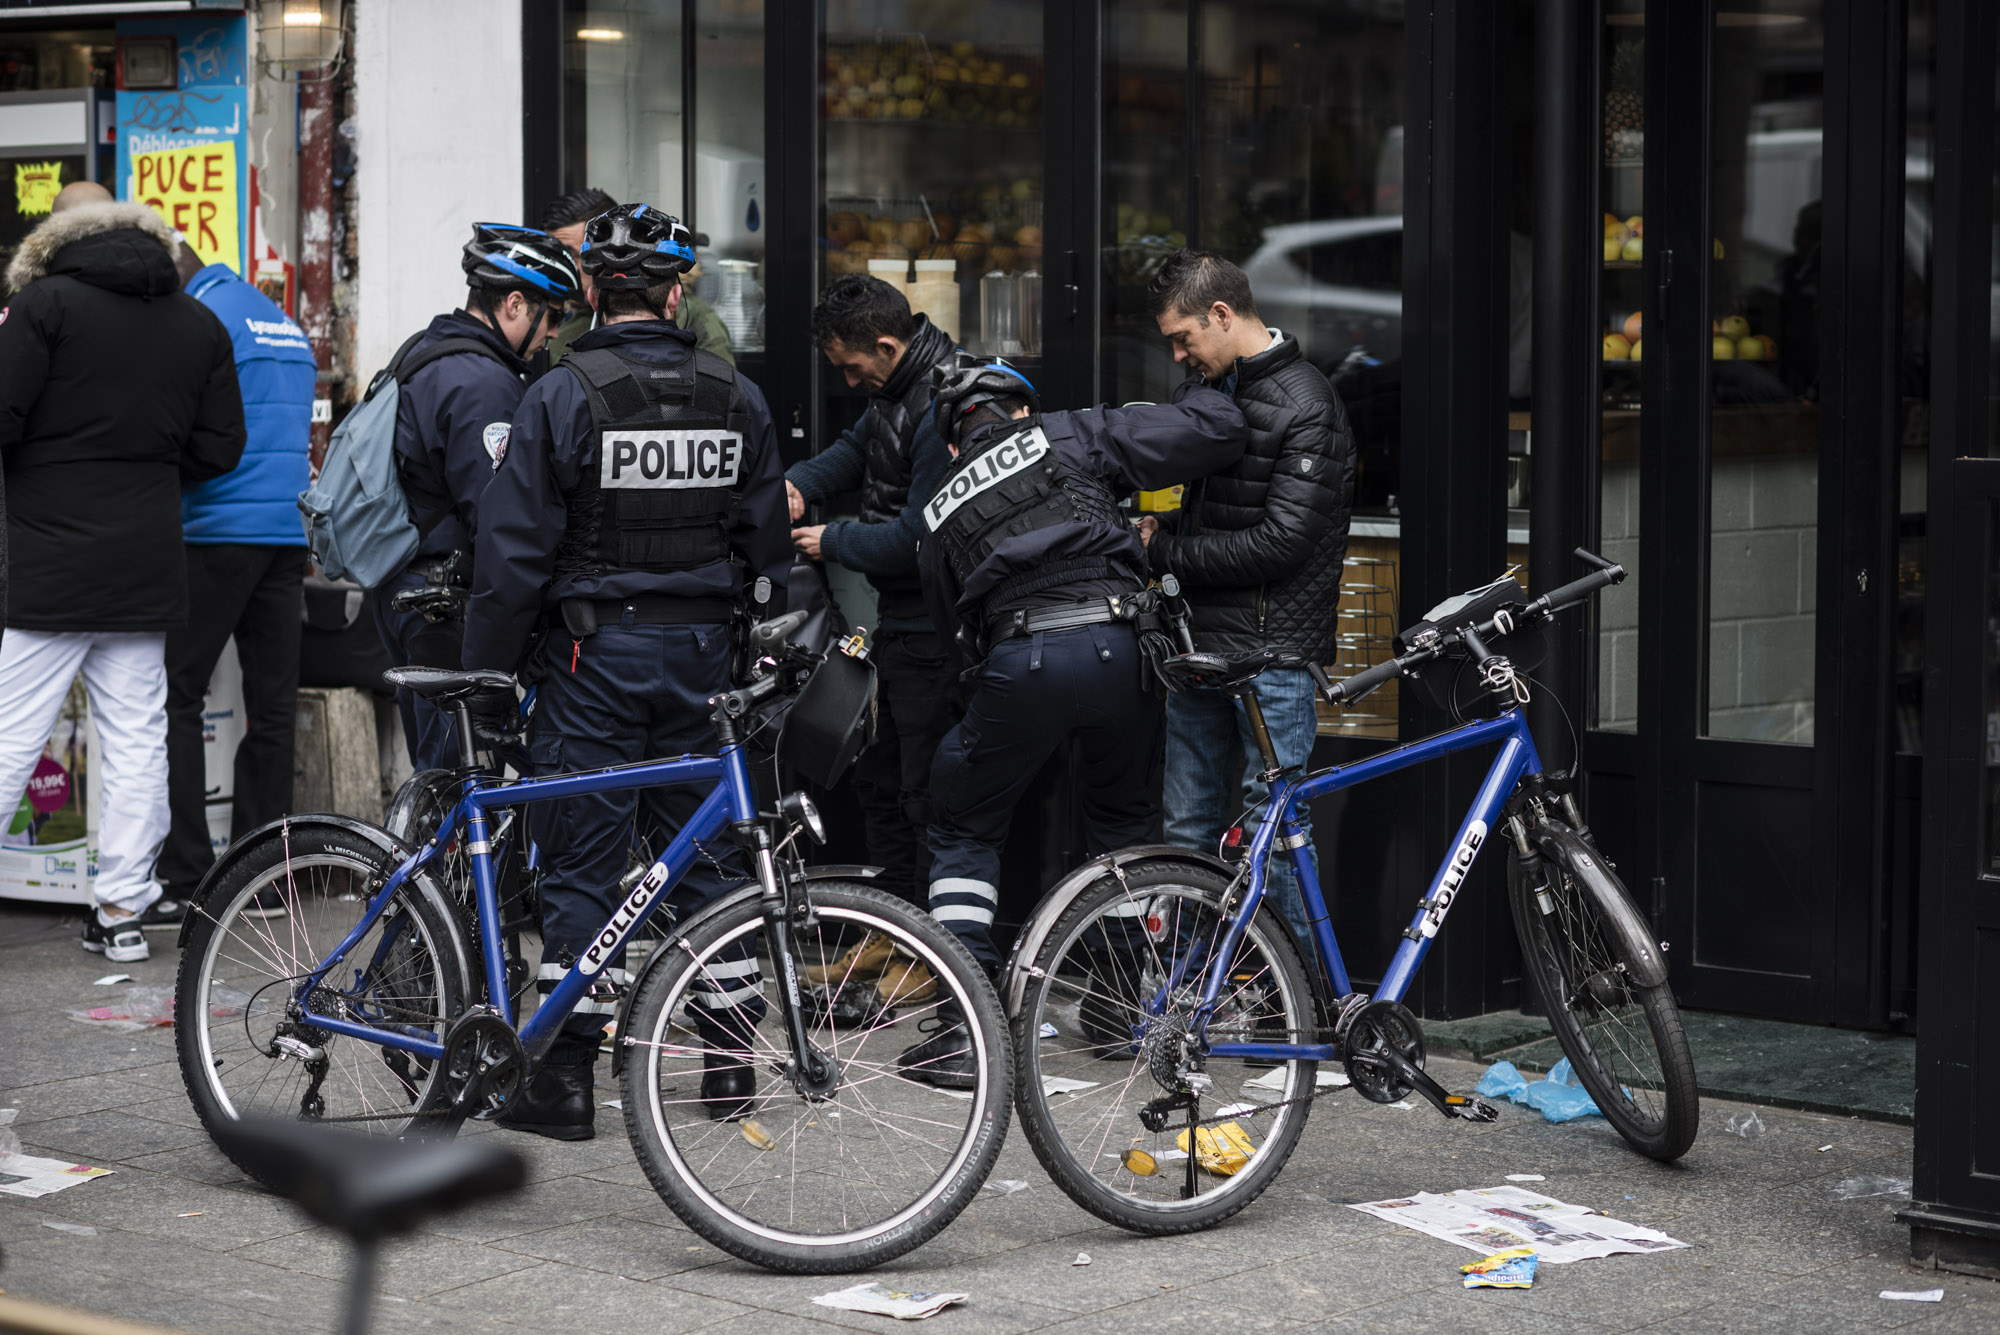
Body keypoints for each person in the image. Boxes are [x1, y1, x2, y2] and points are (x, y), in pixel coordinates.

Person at [462, 204, 790, 1139]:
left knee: (582, 862)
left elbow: (512, 554)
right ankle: (730, 1065)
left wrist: (485, 677)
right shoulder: (737, 394)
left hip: (592, 657)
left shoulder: (561, 394)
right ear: (679, 291)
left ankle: (563, 1081)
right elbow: (767, 545)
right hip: (702, 661)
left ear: (594, 294)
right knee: (711, 855)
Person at [895, 354, 1248, 1087]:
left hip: (1019, 658)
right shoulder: (1068, 435)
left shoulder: (935, 510)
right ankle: (1121, 1009)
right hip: (1124, 648)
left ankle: (969, 1028)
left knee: (963, 824)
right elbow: (1215, 429)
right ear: (1021, 411)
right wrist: (1201, 376)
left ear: (955, 443)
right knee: (1121, 824)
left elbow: (953, 634)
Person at [0, 194, 245, 964]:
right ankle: (122, 909)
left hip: (48, 559)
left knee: (10, 734)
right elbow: (220, 448)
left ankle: (119, 903)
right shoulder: (196, 320)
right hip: (145, 556)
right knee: (137, 741)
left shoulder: (43, 305)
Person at [1139, 248, 1354, 952]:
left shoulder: (1307, 404)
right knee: (1186, 834)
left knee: (1278, 834)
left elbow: (1281, 544)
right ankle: (1181, 999)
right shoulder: (1207, 394)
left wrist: (1162, 552)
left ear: (1223, 314)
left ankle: (1309, 1005)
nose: (1177, 354)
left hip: (1272, 659)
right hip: (1199, 648)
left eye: (1184, 337)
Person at [786, 274, 961, 937]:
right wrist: (797, 486)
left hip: (938, 637)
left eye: (853, 368)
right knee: (881, 784)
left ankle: (924, 950)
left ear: (887, 346)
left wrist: (831, 538)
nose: (850, 381)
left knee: (921, 796)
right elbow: (853, 452)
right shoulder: (894, 389)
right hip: (900, 632)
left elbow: (919, 537)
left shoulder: (943, 403)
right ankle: (892, 937)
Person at [372, 223, 579, 773]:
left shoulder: (425, 348)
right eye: (552, 315)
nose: (553, 333)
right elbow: (499, 516)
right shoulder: (482, 383)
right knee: (462, 785)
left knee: (441, 775)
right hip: (442, 602)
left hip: (406, 586)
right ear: (515, 304)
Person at [154, 239, 318, 920]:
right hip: (286, 534)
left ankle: (187, 872)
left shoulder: (198, 318)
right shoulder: (280, 320)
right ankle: (264, 879)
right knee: (273, 706)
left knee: (175, 695)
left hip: (217, 533)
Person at [539, 187, 733, 366]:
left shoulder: (692, 317)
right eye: (557, 256)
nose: (563, 266)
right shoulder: (554, 323)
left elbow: (722, 391)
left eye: (574, 254)